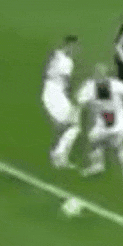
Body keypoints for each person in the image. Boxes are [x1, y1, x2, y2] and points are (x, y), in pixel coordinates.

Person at [42, 35, 81, 168]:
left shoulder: (56, 54)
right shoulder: (67, 62)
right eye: (74, 47)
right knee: (75, 124)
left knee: (70, 124)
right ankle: (58, 154)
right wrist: (72, 99)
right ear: (69, 45)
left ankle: (59, 153)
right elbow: (66, 83)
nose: (76, 50)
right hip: (55, 94)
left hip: (50, 91)